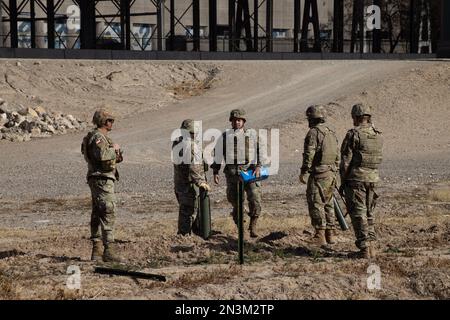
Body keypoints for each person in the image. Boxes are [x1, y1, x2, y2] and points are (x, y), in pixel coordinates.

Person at [340, 103, 383, 259]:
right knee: (369, 214)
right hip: (372, 179)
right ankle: (372, 247)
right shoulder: (377, 135)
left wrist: (342, 181)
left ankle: (364, 249)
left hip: (356, 180)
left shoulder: (353, 134)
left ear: (356, 117)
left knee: (359, 214)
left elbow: (345, 161)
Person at [211, 109, 263, 238]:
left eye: (239, 120)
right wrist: (215, 171)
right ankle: (241, 228)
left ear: (243, 122)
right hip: (232, 173)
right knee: (236, 202)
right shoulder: (224, 137)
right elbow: (218, 154)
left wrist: (258, 166)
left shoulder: (252, 135)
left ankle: (253, 226)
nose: (237, 122)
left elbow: (260, 150)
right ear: (231, 122)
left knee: (255, 198)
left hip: (249, 171)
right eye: (234, 120)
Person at [81, 108, 123, 262]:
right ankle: (108, 250)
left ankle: (97, 250)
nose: (112, 123)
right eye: (110, 120)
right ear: (104, 121)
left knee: (98, 212)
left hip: (98, 178)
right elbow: (102, 156)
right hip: (102, 179)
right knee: (108, 211)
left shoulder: (95, 137)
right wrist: (115, 150)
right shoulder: (98, 137)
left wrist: (117, 155)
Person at [299, 105, 340, 246]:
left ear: (311, 118)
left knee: (316, 203)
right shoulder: (331, 133)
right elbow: (337, 156)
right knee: (328, 204)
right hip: (331, 174)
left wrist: (304, 171)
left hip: (319, 175)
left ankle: (319, 235)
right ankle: (331, 234)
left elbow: (309, 155)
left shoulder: (313, 133)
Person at [173, 119, 210, 236]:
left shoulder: (178, 142)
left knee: (187, 209)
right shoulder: (190, 145)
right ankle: (184, 235)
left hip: (180, 184)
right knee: (189, 211)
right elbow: (193, 166)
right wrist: (201, 181)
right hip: (188, 184)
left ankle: (193, 233)